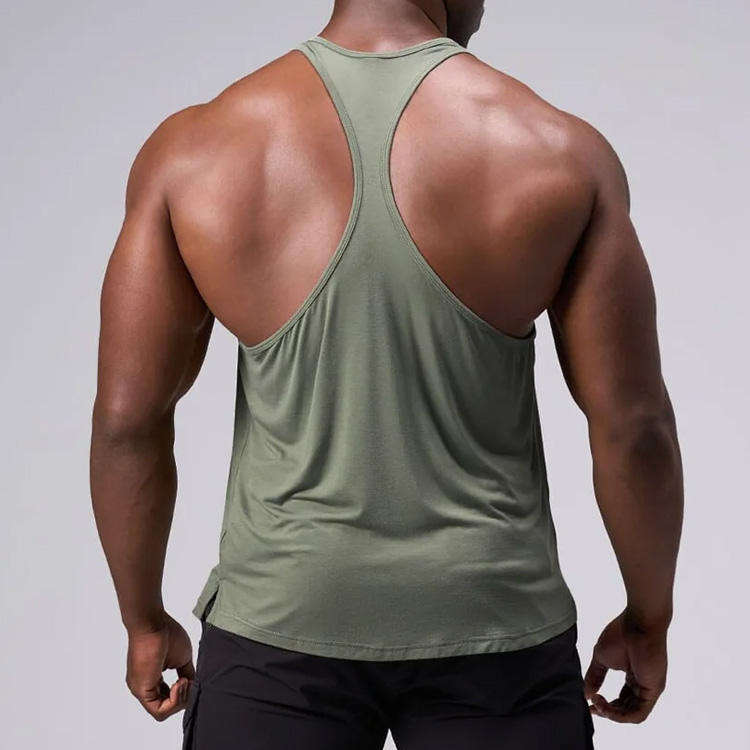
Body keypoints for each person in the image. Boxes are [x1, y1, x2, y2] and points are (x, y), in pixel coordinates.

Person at [89, 1, 684, 747]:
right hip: (496, 631)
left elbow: (127, 420)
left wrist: (143, 620)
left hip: (277, 633)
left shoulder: (196, 150)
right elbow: (635, 429)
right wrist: (649, 619)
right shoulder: (557, 149)